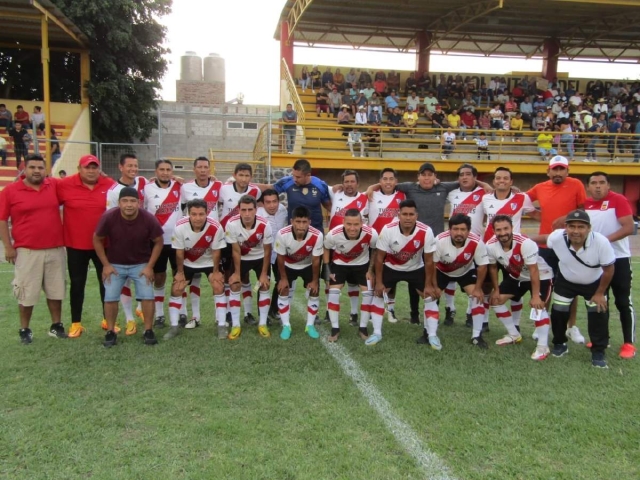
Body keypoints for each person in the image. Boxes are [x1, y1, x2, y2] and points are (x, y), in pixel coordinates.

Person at [0, 154, 67, 343]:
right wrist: (8, 246)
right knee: (26, 292)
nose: (37, 171)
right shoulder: (11, 191)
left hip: (55, 249)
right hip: (27, 250)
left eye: (40, 167)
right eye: (32, 167)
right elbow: (2, 220)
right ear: (24, 169)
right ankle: (25, 329)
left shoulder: (53, 186)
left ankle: (56, 325)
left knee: (56, 290)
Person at [544, 210, 615, 368]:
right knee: (558, 312)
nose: (576, 231)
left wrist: (600, 293)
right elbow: (544, 239)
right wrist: (523, 240)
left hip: (594, 282)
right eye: (572, 226)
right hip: (566, 280)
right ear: (565, 227)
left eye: (581, 227)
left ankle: (598, 351)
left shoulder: (601, 242)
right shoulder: (557, 237)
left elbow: (609, 269)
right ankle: (560, 343)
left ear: (589, 228)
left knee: (598, 313)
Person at [94, 187, 164, 347]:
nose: (129, 205)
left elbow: (158, 241)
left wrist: (150, 266)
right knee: (110, 298)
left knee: (147, 296)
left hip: (140, 264)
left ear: (139, 203)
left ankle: (148, 330)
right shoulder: (109, 217)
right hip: (115, 265)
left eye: (133, 201)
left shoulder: (148, 218)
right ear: (119, 203)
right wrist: (105, 265)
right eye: (125, 201)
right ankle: (110, 332)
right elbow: (97, 239)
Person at [527, 155, 586, 343]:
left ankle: (571, 326)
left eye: (562, 169)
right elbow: (523, 202)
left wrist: (567, 218)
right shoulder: (539, 187)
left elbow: (583, 211)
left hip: (570, 244)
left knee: (571, 286)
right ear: (548, 171)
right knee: (545, 286)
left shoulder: (576, 184)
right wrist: (540, 217)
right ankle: (543, 324)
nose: (558, 172)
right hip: (546, 245)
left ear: (567, 171)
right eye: (555, 169)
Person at [57, 155, 115, 338]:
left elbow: (128, 190)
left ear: (99, 169)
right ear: (79, 168)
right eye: (87, 167)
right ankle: (76, 323)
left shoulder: (109, 184)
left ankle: (108, 320)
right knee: (77, 284)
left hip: (104, 244)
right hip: (75, 245)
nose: (91, 171)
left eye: (94, 167)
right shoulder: (64, 185)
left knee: (106, 283)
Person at [486, 215, 554, 360]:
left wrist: (536, 296)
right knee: (495, 300)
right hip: (517, 276)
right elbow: (492, 268)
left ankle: (543, 347)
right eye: (499, 230)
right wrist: (496, 289)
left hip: (541, 275)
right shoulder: (490, 245)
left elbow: (534, 270)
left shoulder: (525, 243)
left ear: (512, 228)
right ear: (493, 231)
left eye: (506, 228)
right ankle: (514, 334)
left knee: (538, 307)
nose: (503, 233)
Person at [584, 172, 636, 359]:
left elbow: (629, 227)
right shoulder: (586, 205)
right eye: (594, 183)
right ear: (588, 187)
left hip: (619, 259)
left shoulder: (618, 200)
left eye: (602, 183)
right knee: (599, 301)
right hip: (596, 261)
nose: (598, 186)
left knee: (623, 301)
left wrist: (603, 242)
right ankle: (601, 339)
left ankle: (629, 343)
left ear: (608, 185)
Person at [372, 200, 436, 346]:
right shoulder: (388, 229)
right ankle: (376, 333)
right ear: (398, 215)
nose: (408, 217)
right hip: (392, 267)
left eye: (411, 214)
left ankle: (431, 335)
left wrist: (429, 285)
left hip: (415, 268)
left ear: (416, 215)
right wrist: (379, 283)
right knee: (378, 294)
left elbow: (429, 261)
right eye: (405, 214)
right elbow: (379, 257)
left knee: (429, 297)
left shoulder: (426, 231)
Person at [165, 199, 226, 340]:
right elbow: (179, 253)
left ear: (206, 213)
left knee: (218, 285)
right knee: (176, 288)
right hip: (187, 262)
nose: (197, 218)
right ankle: (174, 326)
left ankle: (221, 325)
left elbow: (216, 252)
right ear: (188, 213)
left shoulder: (215, 227)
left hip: (209, 261)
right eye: (194, 214)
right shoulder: (180, 226)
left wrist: (216, 271)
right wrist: (179, 273)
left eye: (201, 214)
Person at [430, 214, 489, 349]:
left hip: (465, 271)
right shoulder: (439, 240)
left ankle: (477, 336)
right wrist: (434, 286)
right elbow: (432, 265)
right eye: (455, 229)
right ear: (449, 229)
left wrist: (478, 288)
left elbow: (482, 266)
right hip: (442, 271)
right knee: (430, 296)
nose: (459, 233)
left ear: (468, 231)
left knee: (477, 297)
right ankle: (429, 332)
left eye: (463, 229)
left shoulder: (477, 242)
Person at [179, 156, 223, 328]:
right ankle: (192, 316)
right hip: (192, 240)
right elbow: (181, 208)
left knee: (217, 280)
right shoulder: (185, 188)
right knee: (192, 280)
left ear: (210, 169)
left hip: (214, 240)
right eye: (200, 167)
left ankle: (220, 318)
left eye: (206, 167)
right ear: (194, 169)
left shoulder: (218, 186)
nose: (203, 170)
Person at [324, 209, 378, 342]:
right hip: (339, 264)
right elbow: (326, 248)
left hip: (362, 265)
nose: (352, 228)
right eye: (349, 224)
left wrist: (371, 270)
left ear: (361, 223)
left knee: (368, 293)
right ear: (343, 223)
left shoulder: (371, 233)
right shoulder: (333, 234)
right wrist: (327, 270)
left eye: (356, 224)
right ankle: (335, 328)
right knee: (333, 292)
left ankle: (363, 328)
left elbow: (375, 250)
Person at [225, 195, 274, 340]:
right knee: (234, 285)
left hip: (260, 258)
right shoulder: (231, 224)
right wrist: (237, 273)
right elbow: (235, 250)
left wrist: (264, 273)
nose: (247, 214)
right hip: (242, 258)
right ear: (238, 210)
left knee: (264, 285)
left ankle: (262, 323)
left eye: (250, 210)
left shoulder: (265, 224)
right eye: (243, 210)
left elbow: (267, 250)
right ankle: (235, 325)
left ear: (256, 210)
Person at [443, 164, 486, 326]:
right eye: (461, 175)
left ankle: (470, 312)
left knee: (473, 281)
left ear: (475, 177)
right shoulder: (452, 193)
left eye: (468, 174)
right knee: (450, 278)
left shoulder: (484, 193)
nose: (465, 177)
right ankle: (450, 309)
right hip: (453, 242)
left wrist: (484, 185)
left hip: (475, 245)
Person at [143, 159, 183, 327]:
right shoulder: (147, 189)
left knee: (179, 277)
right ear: (156, 171)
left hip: (177, 242)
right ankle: (159, 314)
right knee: (158, 277)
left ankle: (181, 313)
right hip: (156, 241)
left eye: (168, 169)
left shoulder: (180, 188)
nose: (165, 172)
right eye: (162, 169)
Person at [274, 206, 324, 340]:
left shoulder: (317, 235)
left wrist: (314, 281)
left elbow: (316, 260)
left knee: (314, 291)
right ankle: (286, 325)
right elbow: (280, 257)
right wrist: (283, 278)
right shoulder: (282, 234)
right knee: (283, 289)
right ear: (292, 221)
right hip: (288, 265)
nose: (301, 225)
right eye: (298, 221)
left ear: (309, 222)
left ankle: (310, 325)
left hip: (307, 265)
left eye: (304, 222)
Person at [329, 170, 370, 325]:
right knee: (331, 281)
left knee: (354, 282)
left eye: (352, 181)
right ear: (342, 183)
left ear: (357, 183)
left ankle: (353, 313)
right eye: (346, 181)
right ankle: (329, 311)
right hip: (336, 244)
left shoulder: (365, 198)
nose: (349, 184)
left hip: (357, 246)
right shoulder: (334, 194)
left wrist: (374, 187)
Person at [367, 168, 406, 323]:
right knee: (373, 277)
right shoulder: (370, 195)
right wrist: (371, 187)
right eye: (385, 179)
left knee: (392, 279)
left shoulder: (403, 196)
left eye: (391, 179)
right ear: (380, 181)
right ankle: (371, 310)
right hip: (375, 244)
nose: (388, 182)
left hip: (395, 245)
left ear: (396, 181)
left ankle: (390, 310)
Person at [261, 159, 331, 232]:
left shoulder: (320, 185)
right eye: (293, 175)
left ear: (308, 175)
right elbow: (269, 188)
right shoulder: (287, 182)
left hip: (315, 232)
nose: (294, 179)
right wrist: (249, 186)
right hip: (293, 233)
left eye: (298, 177)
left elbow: (329, 206)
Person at [257, 189, 289, 323]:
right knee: (263, 282)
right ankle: (262, 314)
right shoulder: (258, 215)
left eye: (274, 201)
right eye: (268, 202)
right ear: (262, 204)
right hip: (262, 253)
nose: (272, 205)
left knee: (281, 280)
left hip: (279, 253)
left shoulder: (283, 210)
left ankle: (274, 309)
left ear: (278, 201)